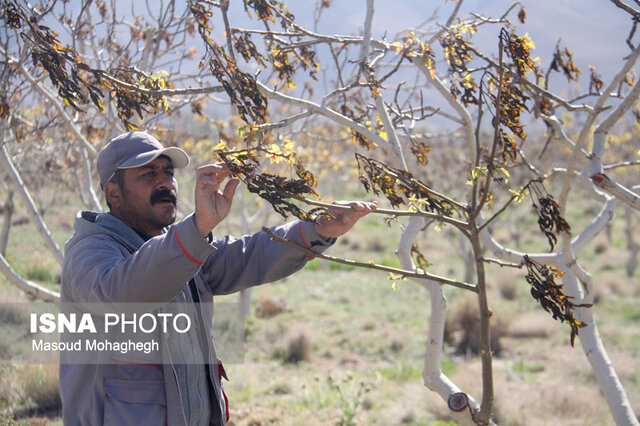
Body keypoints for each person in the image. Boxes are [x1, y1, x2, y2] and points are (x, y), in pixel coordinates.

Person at [59, 131, 376, 425]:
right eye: (147, 174)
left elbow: (246, 255)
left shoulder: (177, 243)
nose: (165, 183)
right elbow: (123, 295)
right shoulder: (92, 249)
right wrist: (196, 228)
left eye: (168, 172)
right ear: (114, 194)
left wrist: (314, 229)